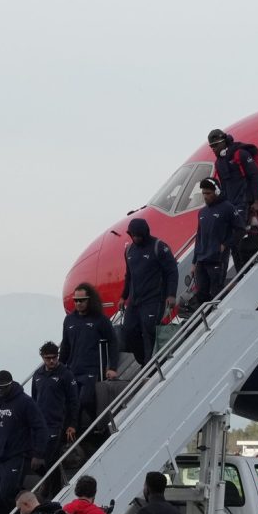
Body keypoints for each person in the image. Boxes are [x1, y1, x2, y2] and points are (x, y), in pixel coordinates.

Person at [60, 282, 120, 428]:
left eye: (82, 300)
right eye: (76, 300)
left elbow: (113, 342)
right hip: (73, 370)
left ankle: (100, 426)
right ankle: (77, 434)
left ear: (89, 300)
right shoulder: (69, 320)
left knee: (85, 400)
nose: (78, 303)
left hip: (91, 370)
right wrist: (59, 368)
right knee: (70, 404)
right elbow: (65, 346)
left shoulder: (100, 320)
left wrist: (112, 367)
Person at [0, 371, 46, 513]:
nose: (0, 390)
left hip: (16, 455)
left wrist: (38, 453)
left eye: (3, 387)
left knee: (7, 493)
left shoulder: (25, 402)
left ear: (10, 385)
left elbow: (40, 427)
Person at [121, 216, 179, 364]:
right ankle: (143, 362)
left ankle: (150, 367)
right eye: (133, 235)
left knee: (149, 331)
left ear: (145, 233)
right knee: (128, 331)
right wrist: (124, 296)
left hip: (154, 298)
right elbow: (129, 275)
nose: (136, 238)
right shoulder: (129, 250)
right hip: (134, 300)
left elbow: (172, 271)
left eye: (139, 235)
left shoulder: (159, 247)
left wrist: (171, 294)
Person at [29, 343, 79, 477]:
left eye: (54, 357)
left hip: (58, 424)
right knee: (34, 461)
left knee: (51, 460)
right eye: (47, 358)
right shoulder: (37, 375)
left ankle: (53, 489)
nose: (51, 361)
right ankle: (47, 483)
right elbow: (34, 399)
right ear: (42, 358)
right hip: (41, 424)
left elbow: (74, 401)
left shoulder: (66, 374)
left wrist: (72, 424)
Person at [190, 178, 238, 304]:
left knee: (216, 293)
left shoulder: (228, 208)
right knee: (201, 294)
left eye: (208, 193)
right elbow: (199, 237)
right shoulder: (202, 212)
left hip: (217, 259)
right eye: (203, 193)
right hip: (202, 260)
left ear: (216, 191)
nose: (205, 196)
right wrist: (194, 262)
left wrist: (225, 244)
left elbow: (240, 229)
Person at [207, 128, 258, 218]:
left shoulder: (241, 153)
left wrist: (257, 201)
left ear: (224, 142)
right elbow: (224, 187)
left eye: (215, 145)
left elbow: (254, 176)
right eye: (211, 146)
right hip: (232, 204)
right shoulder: (218, 163)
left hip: (245, 202)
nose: (213, 148)